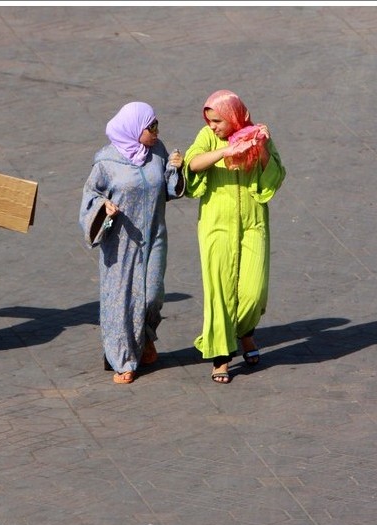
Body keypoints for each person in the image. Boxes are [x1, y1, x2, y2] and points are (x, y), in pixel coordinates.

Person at [182, 90, 287, 384]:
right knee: (220, 291)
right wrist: (224, 152)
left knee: (253, 293)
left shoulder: (258, 133)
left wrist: (261, 147)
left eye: (218, 120)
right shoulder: (207, 136)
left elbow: (276, 176)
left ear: (233, 116)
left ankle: (244, 332)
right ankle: (221, 355)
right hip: (216, 226)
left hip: (253, 223)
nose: (213, 125)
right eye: (210, 120)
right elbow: (192, 164)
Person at [79, 102, 184, 384]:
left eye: (156, 126)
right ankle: (123, 358)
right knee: (122, 301)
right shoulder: (105, 161)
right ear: (134, 129)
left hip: (154, 236)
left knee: (151, 296)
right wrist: (103, 207)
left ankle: (145, 337)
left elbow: (169, 190)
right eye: (151, 127)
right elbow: (90, 197)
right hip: (120, 243)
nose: (156, 132)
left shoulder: (157, 151)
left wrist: (175, 170)